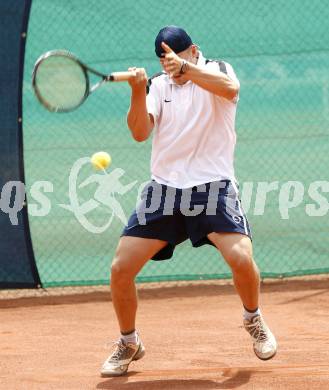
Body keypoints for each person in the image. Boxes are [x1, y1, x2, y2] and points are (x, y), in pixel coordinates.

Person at [101, 25, 277, 377]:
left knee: (240, 257)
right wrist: (138, 91)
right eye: (163, 60)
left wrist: (188, 70)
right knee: (121, 269)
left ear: (193, 50)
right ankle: (129, 341)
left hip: (213, 187)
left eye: (174, 57)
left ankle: (253, 319)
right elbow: (139, 133)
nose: (170, 66)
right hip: (164, 191)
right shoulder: (157, 84)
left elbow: (231, 89)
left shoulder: (218, 70)